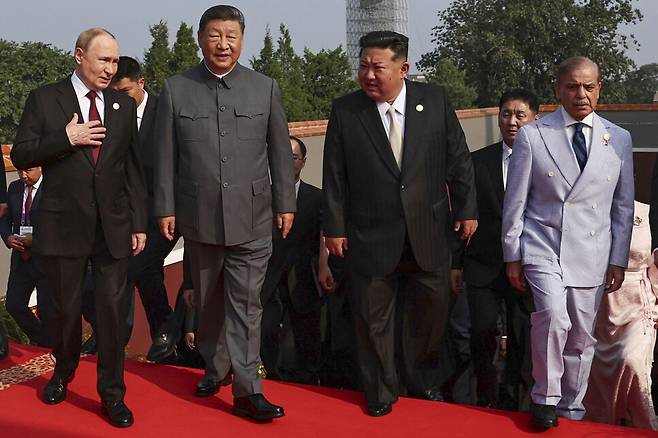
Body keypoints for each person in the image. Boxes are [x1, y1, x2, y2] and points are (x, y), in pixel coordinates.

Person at [322, 30, 478, 417]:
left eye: (378, 67)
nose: (368, 75)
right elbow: (334, 175)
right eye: (363, 66)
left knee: (429, 314)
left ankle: (420, 383)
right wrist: (334, 228)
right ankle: (379, 389)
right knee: (372, 318)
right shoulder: (346, 110)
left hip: (428, 229)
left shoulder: (435, 100)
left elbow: (458, 159)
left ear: (403, 68)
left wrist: (467, 209)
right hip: (369, 232)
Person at [153, 5, 295, 421]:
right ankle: (215, 370)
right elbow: (165, 157)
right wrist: (165, 207)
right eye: (215, 35)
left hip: (253, 217)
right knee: (209, 302)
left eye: (231, 36)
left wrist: (286, 203)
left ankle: (248, 390)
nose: (223, 44)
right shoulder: (176, 89)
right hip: (199, 218)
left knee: (247, 304)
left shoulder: (264, 87)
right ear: (200, 38)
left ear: (242, 40)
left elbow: (280, 152)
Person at [11, 28, 147, 428]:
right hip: (63, 226)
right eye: (103, 60)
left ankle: (112, 394)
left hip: (113, 228)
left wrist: (138, 222)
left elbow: (133, 169)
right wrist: (66, 137)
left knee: (111, 315)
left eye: (115, 61)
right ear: (79, 56)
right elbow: (21, 153)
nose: (110, 69)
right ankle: (64, 370)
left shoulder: (122, 105)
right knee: (65, 312)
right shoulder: (45, 99)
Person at [502, 56, 634, 429]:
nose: (581, 94)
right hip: (544, 244)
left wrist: (618, 258)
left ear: (599, 90)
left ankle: (572, 407)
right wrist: (512, 255)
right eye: (573, 86)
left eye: (589, 87)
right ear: (558, 89)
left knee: (580, 336)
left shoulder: (618, 138)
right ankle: (545, 398)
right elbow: (516, 201)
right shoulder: (534, 135)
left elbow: (623, 206)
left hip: (593, 250)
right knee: (553, 318)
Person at [451, 89, 539, 409]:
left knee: (522, 337)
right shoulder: (477, 162)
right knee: (481, 333)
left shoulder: (546, 162)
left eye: (520, 115)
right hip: (483, 265)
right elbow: (460, 215)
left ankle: (516, 400)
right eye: (506, 114)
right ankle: (486, 397)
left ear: (535, 119)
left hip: (528, 266)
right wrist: (456, 263)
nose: (512, 121)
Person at [109, 56, 179, 357]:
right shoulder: (109, 115)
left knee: (140, 267)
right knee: (119, 270)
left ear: (141, 83)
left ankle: (163, 330)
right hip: (127, 213)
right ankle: (158, 335)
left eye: (125, 92)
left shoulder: (167, 111)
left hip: (168, 212)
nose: (120, 99)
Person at [584, 199, 658, 430]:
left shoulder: (648, 212)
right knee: (598, 376)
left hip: (638, 305)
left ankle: (644, 428)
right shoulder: (590, 208)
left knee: (632, 361)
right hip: (600, 309)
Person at [260, 135, 324, 384]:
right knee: (266, 334)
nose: (287, 162)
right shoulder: (262, 197)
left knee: (304, 338)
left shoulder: (317, 198)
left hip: (303, 280)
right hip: (268, 280)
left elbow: (323, 238)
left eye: (294, 157)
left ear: (303, 162)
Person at [0, 166, 54, 348]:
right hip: (21, 258)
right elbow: (5, 218)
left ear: (40, 167)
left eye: (28, 170)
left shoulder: (53, 188)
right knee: (14, 304)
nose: (24, 175)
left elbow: (61, 225)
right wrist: (8, 237)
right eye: (20, 171)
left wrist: (36, 240)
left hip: (45, 260)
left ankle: (49, 346)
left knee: (47, 310)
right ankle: (41, 338)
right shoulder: (14, 188)